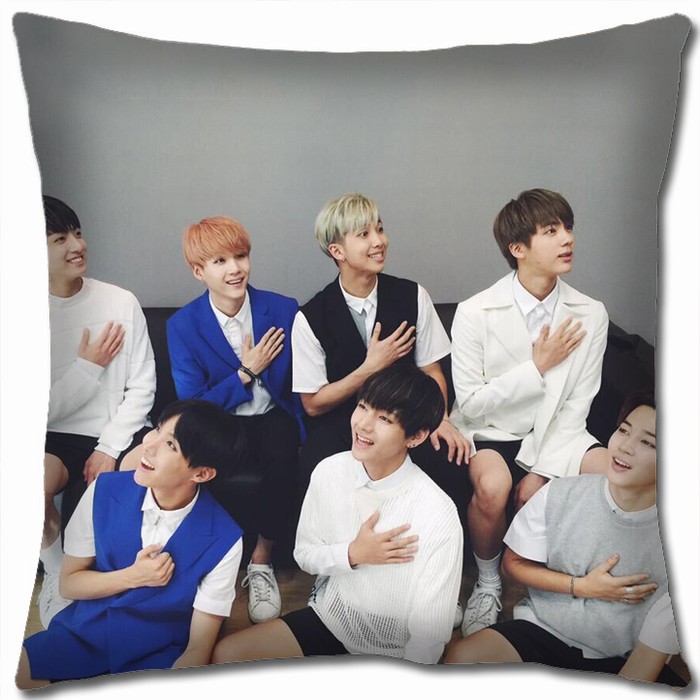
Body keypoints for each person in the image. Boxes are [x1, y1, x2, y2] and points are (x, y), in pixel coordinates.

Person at [212, 365, 463, 665]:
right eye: (363, 407)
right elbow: (305, 554)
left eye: (384, 418)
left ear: (417, 436)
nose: (363, 425)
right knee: (226, 656)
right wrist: (352, 554)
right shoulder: (329, 471)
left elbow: (428, 638)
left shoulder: (437, 510)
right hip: (332, 618)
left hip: (396, 645)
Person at [123, 216, 305, 625]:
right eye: (220, 261)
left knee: (282, 455)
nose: (235, 269)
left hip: (273, 414)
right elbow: (193, 403)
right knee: (202, 469)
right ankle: (208, 566)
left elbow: (302, 378)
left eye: (240, 256)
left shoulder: (283, 308)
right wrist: (245, 372)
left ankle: (261, 561)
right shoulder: (183, 325)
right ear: (198, 271)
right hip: (219, 421)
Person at [449, 188, 609, 635]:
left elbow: (579, 402)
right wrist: (536, 368)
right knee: (494, 486)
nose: (567, 239)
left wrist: (542, 469)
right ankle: (488, 582)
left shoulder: (591, 313)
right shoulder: (474, 312)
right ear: (518, 248)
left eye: (568, 228)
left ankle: (564, 588)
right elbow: (472, 402)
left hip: (560, 430)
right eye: (551, 231)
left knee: (619, 475)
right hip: (491, 430)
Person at [445, 392, 685, 686]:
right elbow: (513, 564)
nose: (625, 447)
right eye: (624, 430)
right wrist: (581, 587)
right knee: (461, 659)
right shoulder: (560, 494)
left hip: (622, 655)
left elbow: (646, 659)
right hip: (543, 629)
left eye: (648, 442)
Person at [17, 400, 245, 689]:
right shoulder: (103, 490)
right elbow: (69, 585)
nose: (148, 445)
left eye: (171, 445)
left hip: (160, 651)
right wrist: (133, 576)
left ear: (201, 474)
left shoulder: (226, 539)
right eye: (158, 429)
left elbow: (197, 649)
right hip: (86, 633)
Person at [291, 193, 471, 541]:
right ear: (337, 251)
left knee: (450, 459)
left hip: (405, 419)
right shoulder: (310, 317)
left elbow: (432, 371)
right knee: (315, 465)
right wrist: (369, 368)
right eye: (364, 234)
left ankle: (444, 558)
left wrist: (441, 420)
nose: (379, 241)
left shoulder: (413, 295)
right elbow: (312, 403)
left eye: (380, 229)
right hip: (343, 423)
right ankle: (331, 561)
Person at [40, 195, 156, 628]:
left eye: (77, 233)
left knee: (142, 473)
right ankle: (58, 577)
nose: (77, 246)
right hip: (52, 435)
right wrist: (88, 368)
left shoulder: (120, 301)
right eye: (59, 239)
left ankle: (126, 589)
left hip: (118, 429)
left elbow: (143, 386)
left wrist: (108, 447)